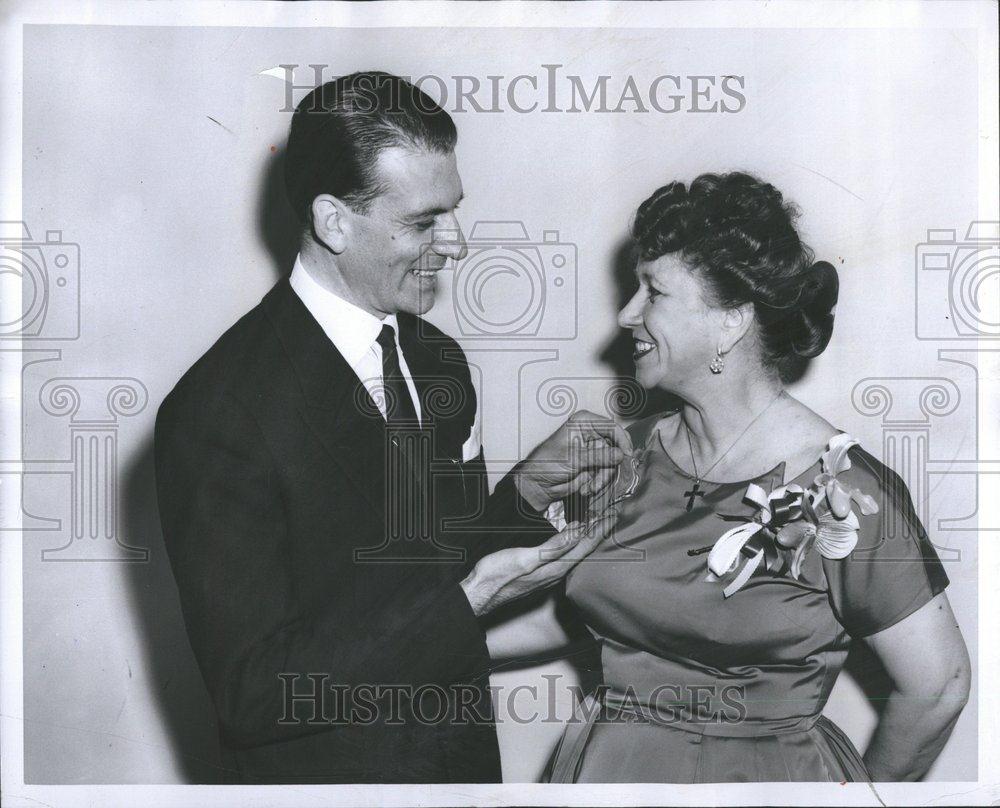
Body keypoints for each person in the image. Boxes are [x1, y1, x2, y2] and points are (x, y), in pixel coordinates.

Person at [153, 71, 626, 785]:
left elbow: (439, 562)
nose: (455, 244)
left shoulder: (438, 363)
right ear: (332, 221)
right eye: (423, 222)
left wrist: (526, 492)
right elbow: (253, 693)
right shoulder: (216, 412)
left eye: (452, 211)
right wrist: (467, 604)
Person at [544, 172, 970, 783]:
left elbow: (939, 685)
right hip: (610, 771)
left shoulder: (843, 492)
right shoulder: (623, 457)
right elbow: (568, 604)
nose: (626, 313)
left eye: (653, 292)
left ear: (731, 321)